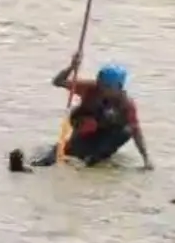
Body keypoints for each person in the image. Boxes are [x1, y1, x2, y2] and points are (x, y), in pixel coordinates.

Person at [21, 55, 151, 170]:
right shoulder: (90, 88)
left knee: (127, 131)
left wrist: (146, 160)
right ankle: (52, 157)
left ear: (119, 87)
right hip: (85, 126)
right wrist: (72, 67)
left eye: (107, 87)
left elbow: (136, 132)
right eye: (101, 84)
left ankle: (93, 159)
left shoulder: (126, 105)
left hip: (107, 135)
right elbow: (58, 82)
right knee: (66, 149)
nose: (102, 89)